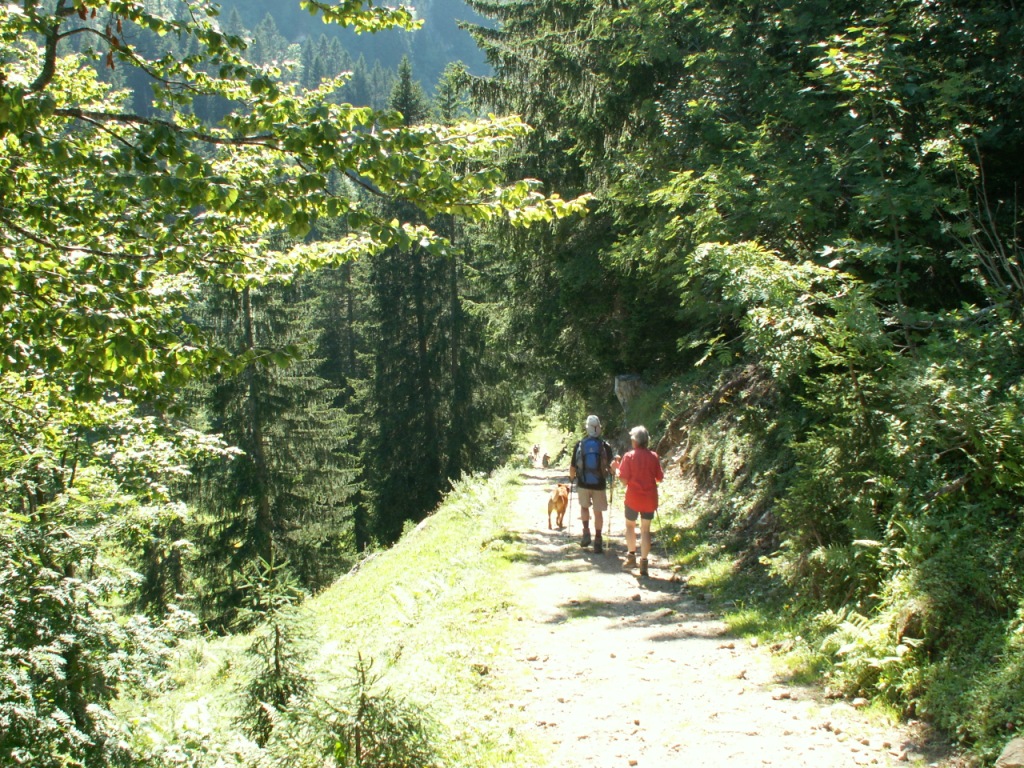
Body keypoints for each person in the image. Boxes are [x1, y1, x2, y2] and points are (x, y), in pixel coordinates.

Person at [612, 425, 664, 577]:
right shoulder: (653, 456)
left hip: (633, 498)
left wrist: (616, 469)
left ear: (635, 441)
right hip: (649, 498)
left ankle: (631, 556)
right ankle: (644, 562)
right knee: (646, 530)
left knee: (630, 526)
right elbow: (659, 478)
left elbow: (623, 480)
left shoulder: (629, 456)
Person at [568, 414, 614, 554]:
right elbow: (611, 468)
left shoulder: (580, 445)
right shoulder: (605, 446)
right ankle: (598, 540)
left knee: (584, 507)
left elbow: (572, 468)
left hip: (583, 482)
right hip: (599, 483)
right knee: (598, 512)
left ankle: (586, 532)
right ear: (599, 428)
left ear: (587, 428)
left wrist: (571, 479)